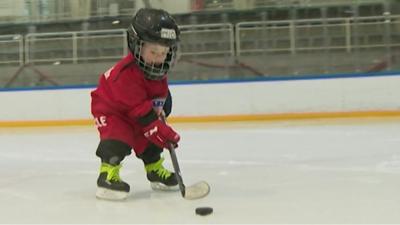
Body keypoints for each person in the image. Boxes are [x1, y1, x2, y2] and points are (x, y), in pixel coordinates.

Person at [90, 8, 181, 200]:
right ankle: (107, 174)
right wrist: (157, 127)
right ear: (137, 46)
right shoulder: (125, 75)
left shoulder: (157, 71)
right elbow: (140, 112)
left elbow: (155, 102)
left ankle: (154, 169)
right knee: (118, 139)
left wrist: (162, 111)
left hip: (139, 109)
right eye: (153, 51)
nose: (159, 58)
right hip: (113, 110)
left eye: (164, 52)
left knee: (151, 139)